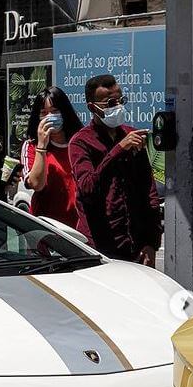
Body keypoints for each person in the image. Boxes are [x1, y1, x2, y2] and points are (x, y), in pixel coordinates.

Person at [69, 74, 161, 265]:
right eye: (110, 103)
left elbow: (148, 191)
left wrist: (152, 242)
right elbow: (87, 188)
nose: (117, 107)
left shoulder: (131, 135)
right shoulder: (81, 142)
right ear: (92, 107)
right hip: (101, 248)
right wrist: (118, 150)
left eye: (120, 100)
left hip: (136, 246)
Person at [21, 86, 83, 226]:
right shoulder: (31, 146)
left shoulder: (80, 143)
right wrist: (42, 146)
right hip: (48, 227)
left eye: (55, 111)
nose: (50, 117)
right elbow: (36, 184)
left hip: (80, 227)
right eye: (44, 113)